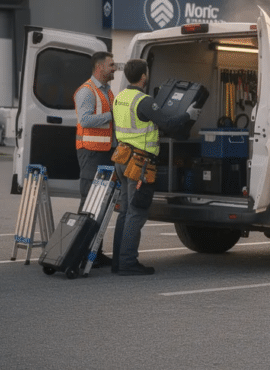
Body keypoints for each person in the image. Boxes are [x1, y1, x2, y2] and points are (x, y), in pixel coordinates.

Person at [111, 59, 199, 276]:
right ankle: (128, 263)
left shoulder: (119, 97)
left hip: (122, 160)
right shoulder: (144, 101)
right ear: (143, 77)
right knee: (136, 213)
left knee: (124, 212)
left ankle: (118, 261)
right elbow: (167, 123)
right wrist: (189, 115)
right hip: (139, 163)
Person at [73, 51, 115, 267]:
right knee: (90, 202)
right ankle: (80, 252)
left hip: (104, 151)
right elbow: (86, 120)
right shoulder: (87, 91)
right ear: (99, 67)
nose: (115, 68)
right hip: (91, 152)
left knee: (101, 204)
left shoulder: (107, 91)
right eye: (111, 65)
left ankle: (93, 252)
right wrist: (112, 115)